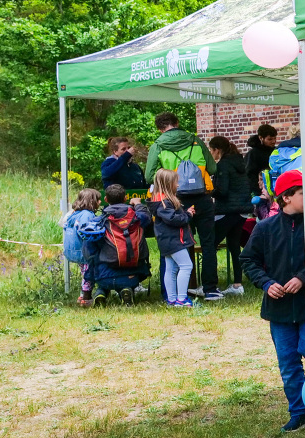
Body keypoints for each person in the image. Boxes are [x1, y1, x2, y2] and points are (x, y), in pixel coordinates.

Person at [241, 169, 305, 433]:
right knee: (288, 362)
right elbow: (248, 260)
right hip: (278, 309)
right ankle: (299, 412)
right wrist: (266, 283)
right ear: (286, 197)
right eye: (304, 192)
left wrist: (303, 277)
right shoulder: (264, 228)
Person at [144, 111, 225, 297]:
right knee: (208, 243)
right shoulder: (195, 140)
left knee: (178, 243)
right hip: (202, 198)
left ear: (160, 128)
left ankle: (179, 291)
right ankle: (210, 289)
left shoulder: (158, 145)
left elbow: (149, 176)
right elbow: (212, 168)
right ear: (177, 122)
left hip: (174, 199)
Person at [93, 184, 153, 303]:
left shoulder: (100, 220)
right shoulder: (137, 218)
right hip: (134, 275)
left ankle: (101, 292)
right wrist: (138, 204)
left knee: (98, 254)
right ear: (125, 198)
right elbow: (147, 217)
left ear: (106, 200)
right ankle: (126, 289)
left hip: (104, 276)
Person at [208, 136, 250, 296]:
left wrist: (208, 190)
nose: (211, 154)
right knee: (234, 246)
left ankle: (209, 285)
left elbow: (222, 191)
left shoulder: (223, 165)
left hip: (227, 210)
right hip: (241, 211)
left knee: (210, 245)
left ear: (217, 150)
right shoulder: (239, 162)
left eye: (211, 151)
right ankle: (237, 284)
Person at [150, 169, 198, 309]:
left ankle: (172, 299)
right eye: (176, 182)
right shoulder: (165, 203)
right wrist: (187, 215)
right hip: (174, 241)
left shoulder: (160, 201)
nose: (178, 185)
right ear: (168, 184)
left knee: (171, 269)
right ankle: (182, 299)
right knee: (186, 266)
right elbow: (173, 219)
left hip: (167, 241)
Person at [61, 188, 103, 307]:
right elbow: (86, 232)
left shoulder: (74, 213)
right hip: (83, 250)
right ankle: (86, 297)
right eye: (98, 200)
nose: (100, 202)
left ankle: (82, 294)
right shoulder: (87, 215)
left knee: (85, 272)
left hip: (73, 250)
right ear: (91, 201)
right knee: (89, 273)